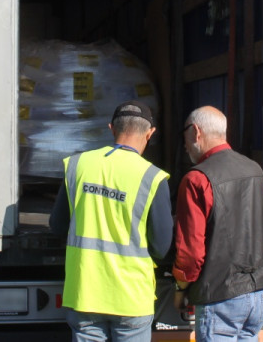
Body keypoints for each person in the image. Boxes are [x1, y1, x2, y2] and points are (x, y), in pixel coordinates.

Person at [50, 100, 173, 342]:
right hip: (132, 298)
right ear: (150, 133)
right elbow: (161, 246)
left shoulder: (78, 165)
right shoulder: (152, 177)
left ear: (111, 128)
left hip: (85, 292)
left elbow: (58, 226)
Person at [172, 106, 263, 342]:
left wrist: (181, 287)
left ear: (196, 132)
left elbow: (191, 253)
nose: (185, 146)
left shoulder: (196, 179)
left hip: (220, 296)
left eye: (185, 137)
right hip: (257, 294)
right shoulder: (255, 171)